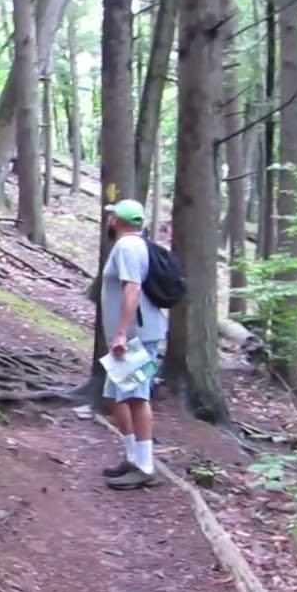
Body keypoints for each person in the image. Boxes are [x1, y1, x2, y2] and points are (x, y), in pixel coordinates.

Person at [99, 199, 168, 490]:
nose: (109, 219)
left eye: (112, 215)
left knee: (137, 397)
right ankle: (132, 457)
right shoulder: (134, 244)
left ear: (117, 221)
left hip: (137, 337)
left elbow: (133, 289)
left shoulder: (128, 246)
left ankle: (146, 467)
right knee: (115, 396)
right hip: (134, 335)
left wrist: (121, 334)